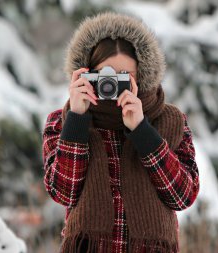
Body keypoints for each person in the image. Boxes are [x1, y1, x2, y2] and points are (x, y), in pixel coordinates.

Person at [42, 11, 200, 253]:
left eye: (124, 76)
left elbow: (182, 196)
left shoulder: (170, 122)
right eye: (105, 75)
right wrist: (77, 119)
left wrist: (142, 130)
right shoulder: (63, 122)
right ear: (87, 73)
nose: (112, 84)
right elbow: (63, 192)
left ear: (142, 76)